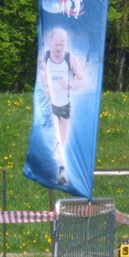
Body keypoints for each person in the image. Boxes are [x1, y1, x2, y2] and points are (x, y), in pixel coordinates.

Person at [39, 28, 86, 187]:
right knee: (55, 135)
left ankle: (63, 168)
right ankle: (60, 169)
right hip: (50, 104)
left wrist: (69, 84)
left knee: (63, 139)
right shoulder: (44, 58)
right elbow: (40, 80)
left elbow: (82, 81)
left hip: (64, 104)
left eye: (62, 45)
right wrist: (45, 86)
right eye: (56, 44)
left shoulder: (70, 59)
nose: (58, 48)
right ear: (50, 42)